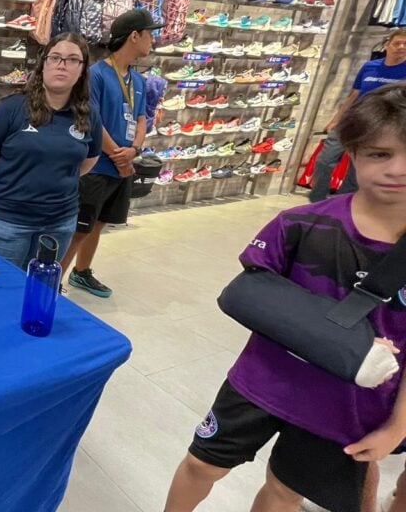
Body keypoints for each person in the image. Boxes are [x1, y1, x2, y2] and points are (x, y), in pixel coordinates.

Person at [164, 82, 406, 512]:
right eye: (379, 153)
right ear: (352, 154)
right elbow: (251, 292)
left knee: (285, 490)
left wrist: (396, 427)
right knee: (202, 465)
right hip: (261, 381)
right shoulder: (300, 223)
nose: (397, 169)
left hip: (344, 405)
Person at [0, 32, 102, 269]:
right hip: (9, 221)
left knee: (41, 289)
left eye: (73, 59)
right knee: (0, 292)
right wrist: (15, 184)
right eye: (55, 57)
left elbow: (88, 161)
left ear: (82, 70)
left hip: (60, 222)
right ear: (43, 64)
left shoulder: (89, 115)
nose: (62, 65)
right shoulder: (11, 108)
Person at [60, 9, 157, 297]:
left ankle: (81, 272)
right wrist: (119, 155)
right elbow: (91, 119)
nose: (154, 39)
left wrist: (135, 150)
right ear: (134, 36)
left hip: (122, 165)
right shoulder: (97, 75)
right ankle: (52, 282)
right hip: (97, 167)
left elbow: (141, 118)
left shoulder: (138, 80)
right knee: (79, 227)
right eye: (150, 33)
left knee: (98, 224)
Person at [309, 29, 406, 203]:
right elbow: (354, 95)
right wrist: (336, 119)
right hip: (353, 119)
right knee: (325, 159)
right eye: (397, 43)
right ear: (386, 45)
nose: (401, 47)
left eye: (405, 45)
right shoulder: (370, 66)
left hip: (380, 126)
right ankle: (317, 200)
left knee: (357, 167)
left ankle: (342, 202)